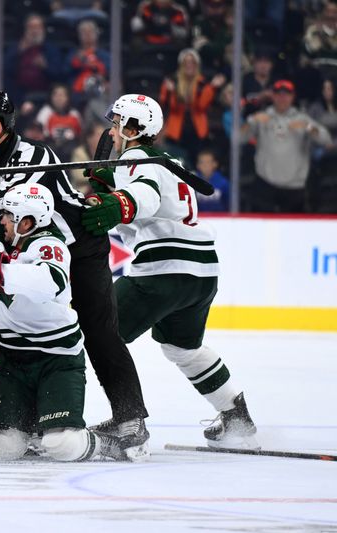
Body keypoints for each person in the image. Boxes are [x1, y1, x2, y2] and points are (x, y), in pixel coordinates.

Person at [0, 91, 150, 460]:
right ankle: (23, 418)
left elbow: (13, 202)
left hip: (79, 250)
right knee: (11, 327)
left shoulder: (37, 155)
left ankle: (131, 422)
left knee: (99, 334)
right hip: (24, 258)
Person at [81, 93, 258, 450]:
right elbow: (147, 205)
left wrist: (117, 202)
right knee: (182, 347)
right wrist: (111, 188)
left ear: (133, 128)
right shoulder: (167, 160)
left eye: (117, 123)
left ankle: (128, 422)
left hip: (163, 270)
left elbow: (143, 198)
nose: (112, 131)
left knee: (100, 331)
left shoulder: (135, 157)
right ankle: (236, 417)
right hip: (202, 272)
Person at [0, 182, 123, 462]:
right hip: (13, 360)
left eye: (7, 216)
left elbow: (50, 280)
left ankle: (107, 444)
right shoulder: (2, 238)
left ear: (26, 222)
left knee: (62, 445)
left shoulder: (50, 244)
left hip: (55, 360)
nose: (1, 220)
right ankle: (28, 420)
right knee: (2, 448)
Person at [241, 80, 331, 212]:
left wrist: (309, 127)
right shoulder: (262, 117)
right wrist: (251, 121)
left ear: (292, 97)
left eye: (286, 94)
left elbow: (326, 140)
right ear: (273, 96)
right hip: (265, 186)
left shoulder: (302, 118)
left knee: (294, 231)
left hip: (294, 188)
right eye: (279, 94)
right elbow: (237, 139)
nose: (282, 98)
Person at [159, 48, 226, 162]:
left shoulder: (203, 83)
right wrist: (172, 92)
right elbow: (171, 106)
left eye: (192, 62)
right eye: (186, 62)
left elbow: (201, 106)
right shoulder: (172, 81)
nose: (189, 65)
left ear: (197, 65)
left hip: (197, 131)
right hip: (176, 132)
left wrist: (212, 88)